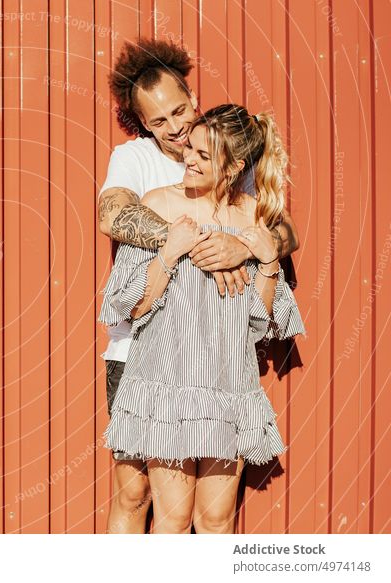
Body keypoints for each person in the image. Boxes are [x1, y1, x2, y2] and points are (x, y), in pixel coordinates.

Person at [97, 38, 300, 534]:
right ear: (143, 123)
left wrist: (246, 248)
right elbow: (113, 214)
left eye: (179, 111)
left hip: (215, 356)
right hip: (142, 351)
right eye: (158, 121)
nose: (175, 129)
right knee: (134, 491)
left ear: (192, 95)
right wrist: (197, 245)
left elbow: (284, 229)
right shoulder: (136, 161)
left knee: (211, 513)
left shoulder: (227, 151)